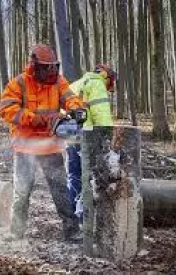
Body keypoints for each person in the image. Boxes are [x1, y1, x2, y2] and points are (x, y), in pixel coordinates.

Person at [0, 44, 84, 242]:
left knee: (60, 189)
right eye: (47, 67)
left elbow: (72, 99)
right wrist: (33, 118)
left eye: (53, 66)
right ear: (35, 66)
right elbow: (6, 109)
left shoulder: (58, 82)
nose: (51, 71)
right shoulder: (19, 83)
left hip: (50, 147)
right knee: (22, 191)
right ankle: (16, 231)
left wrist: (72, 112)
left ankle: (72, 231)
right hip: (25, 147)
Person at [66, 64, 117, 220]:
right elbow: (102, 116)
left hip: (70, 135)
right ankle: (85, 216)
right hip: (87, 137)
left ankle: (73, 213)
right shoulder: (97, 84)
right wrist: (107, 138)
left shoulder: (75, 84)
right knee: (88, 176)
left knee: (73, 174)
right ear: (106, 77)